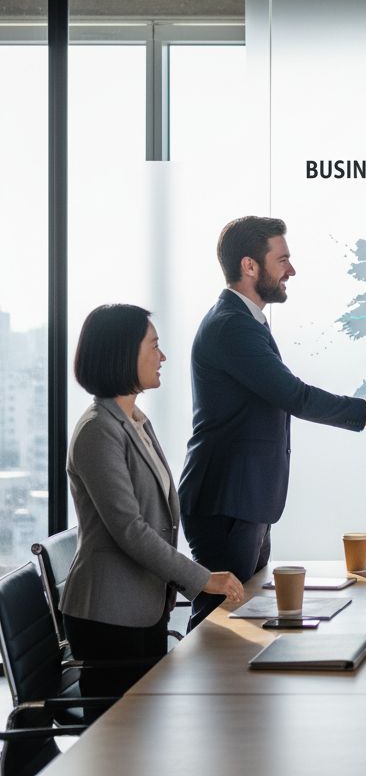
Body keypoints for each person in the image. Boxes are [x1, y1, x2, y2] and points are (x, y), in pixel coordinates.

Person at [179, 216, 366, 629]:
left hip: (245, 498)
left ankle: (233, 694)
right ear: (250, 266)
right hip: (226, 501)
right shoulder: (231, 326)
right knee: (218, 622)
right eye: (282, 260)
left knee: (242, 615)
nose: (291, 270)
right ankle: (200, 694)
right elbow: (293, 395)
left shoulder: (246, 322)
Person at [62, 304, 243, 709]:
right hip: (109, 612)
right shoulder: (98, 430)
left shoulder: (135, 422)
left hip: (141, 605)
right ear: (123, 353)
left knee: (145, 729)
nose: (162, 357)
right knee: (122, 740)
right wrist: (201, 578)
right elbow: (130, 529)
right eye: (154, 346)